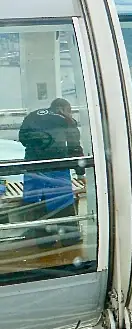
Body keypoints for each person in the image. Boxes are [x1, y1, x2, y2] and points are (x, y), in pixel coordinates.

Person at [18, 98, 84, 247]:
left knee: (38, 204)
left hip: (32, 168)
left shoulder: (32, 115)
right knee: (62, 204)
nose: (71, 114)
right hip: (56, 168)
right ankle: (69, 240)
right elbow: (75, 148)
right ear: (61, 109)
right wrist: (80, 173)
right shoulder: (66, 121)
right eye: (70, 110)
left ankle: (44, 242)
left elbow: (22, 139)